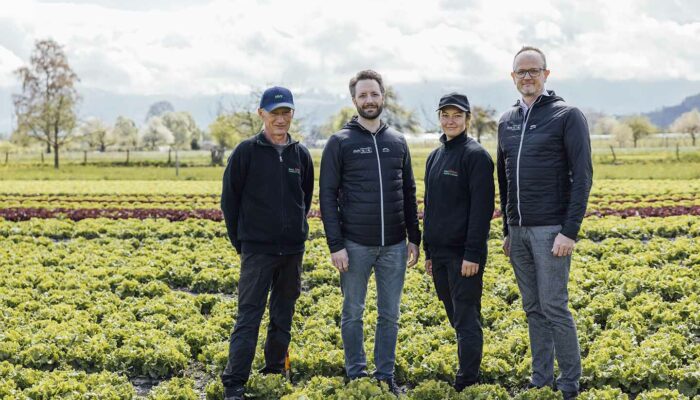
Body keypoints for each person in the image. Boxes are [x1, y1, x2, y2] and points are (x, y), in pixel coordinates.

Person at [497, 46, 593, 400]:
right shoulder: (506, 121)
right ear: (512, 77)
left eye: (533, 70)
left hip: (552, 230)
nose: (527, 76)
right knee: (533, 308)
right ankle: (541, 380)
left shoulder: (567, 116)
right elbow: (503, 178)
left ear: (546, 74)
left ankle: (569, 382)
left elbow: (582, 177)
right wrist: (508, 230)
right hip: (519, 232)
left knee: (554, 306)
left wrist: (569, 231)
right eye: (520, 72)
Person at [319, 69, 421, 395]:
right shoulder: (340, 142)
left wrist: (414, 237)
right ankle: (356, 373)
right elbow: (327, 197)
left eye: (374, 94)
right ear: (354, 100)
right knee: (353, 312)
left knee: (389, 315)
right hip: (354, 245)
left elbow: (408, 190)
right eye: (362, 95)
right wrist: (336, 245)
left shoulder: (397, 141)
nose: (369, 100)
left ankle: (385, 374)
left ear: (383, 97)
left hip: (394, 245)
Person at [220, 86, 314, 400]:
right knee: (249, 315)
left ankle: (274, 370)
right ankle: (234, 383)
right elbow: (229, 202)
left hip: (291, 252)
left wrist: (297, 232)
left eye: (286, 112)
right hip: (257, 251)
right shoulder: (246, 152)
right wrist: (243, 243)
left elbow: (305, 196)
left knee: (283, 314)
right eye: (274, 113)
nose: (280, 119)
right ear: (262, 114)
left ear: (292, 115)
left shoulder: (300, 154)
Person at [422, 93, 495, 392]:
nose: (450, 120)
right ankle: (470, 367)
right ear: (439, 117)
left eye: (457, 115)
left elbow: (482, 210)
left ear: (467, 119)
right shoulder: (435, 156)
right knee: (455, 316)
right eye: (445, 115)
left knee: (466, 318)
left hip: (464, 256)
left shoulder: (475, 156)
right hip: (438, 255)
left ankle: (467, 381)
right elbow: (431, 206)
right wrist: (428, 251)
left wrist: (473, 254)